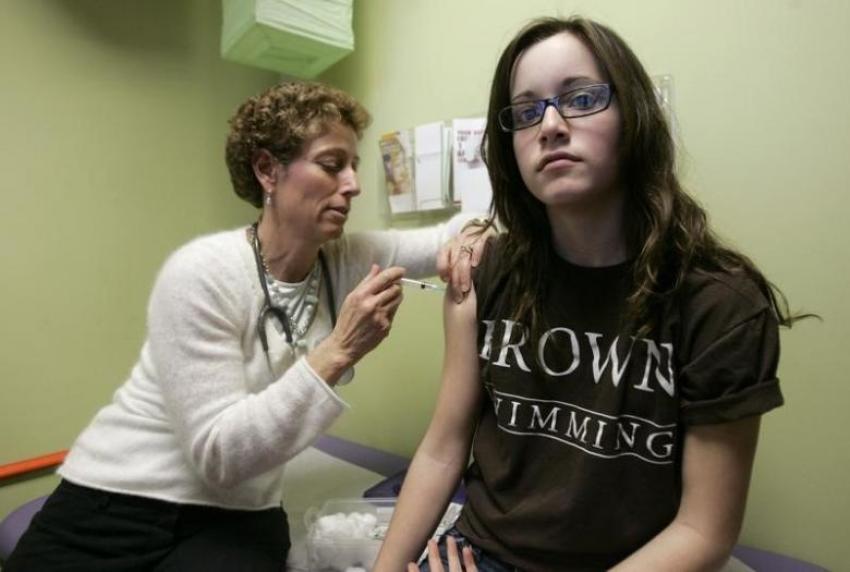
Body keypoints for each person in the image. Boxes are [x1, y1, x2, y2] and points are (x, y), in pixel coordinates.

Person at [375, 16, 806, 572]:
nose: (550, 125)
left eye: (580, 98)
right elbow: (443, 447)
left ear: (633, 116)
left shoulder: (720, 304)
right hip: (481, 554)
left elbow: (703, 530)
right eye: (526, 111)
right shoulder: (482, 273)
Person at [5, 81, 489, 571]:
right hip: (118, 498)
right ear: (267, 170)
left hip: (239, 513)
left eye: (354, 166)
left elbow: (460, 230)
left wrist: (470, 238)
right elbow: (220, 455)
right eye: (331, 164)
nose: (354, 184)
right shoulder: (201, 272)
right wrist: (339, 349)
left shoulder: (345, 261)